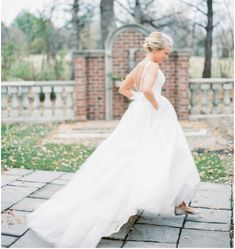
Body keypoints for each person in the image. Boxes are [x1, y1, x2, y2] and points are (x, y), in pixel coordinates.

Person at [26, 31, 201, 248]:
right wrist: (156, 106)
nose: (166, 56)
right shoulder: (153, 66)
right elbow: (147, 89)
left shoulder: (141, 65)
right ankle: (173, 198)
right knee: (167, 151)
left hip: (139, 114)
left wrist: (141, 102)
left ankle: (179, 200)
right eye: (165, 53)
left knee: (143, 153)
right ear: (156, 49)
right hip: (155, 116)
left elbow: (124, 89)